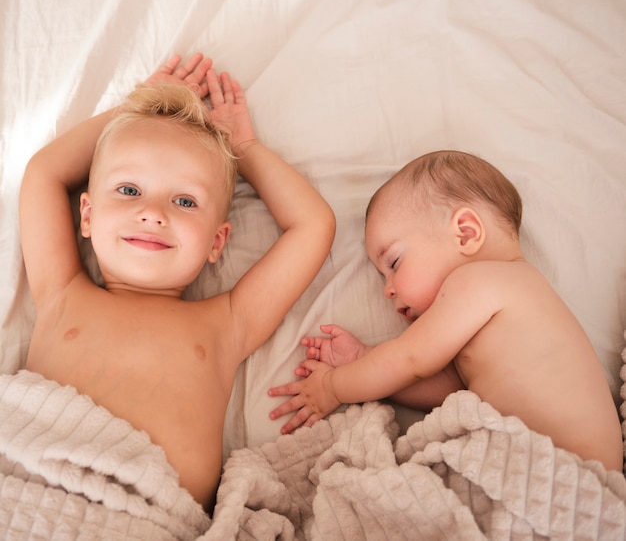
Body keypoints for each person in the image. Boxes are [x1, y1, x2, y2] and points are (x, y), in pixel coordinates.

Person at [19, 53, 336, 511]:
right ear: (86, 215)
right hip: (31, 494)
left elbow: (313, 226)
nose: (154, 212)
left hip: (149, 518)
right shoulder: (60, 292)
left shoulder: (228, 323)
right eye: (129, 190)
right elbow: (43, 172)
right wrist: (130, 109)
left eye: (185, 201)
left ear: (216, 241)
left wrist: (243, 149)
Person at [268, 150, 622, 473]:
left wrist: (334, 386)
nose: (387, 288)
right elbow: (446, 389)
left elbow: (410, 360)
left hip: (569, 472)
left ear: (466, 234)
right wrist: (364, 358)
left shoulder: (480, 280)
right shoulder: (503, 306)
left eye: (394, 262)